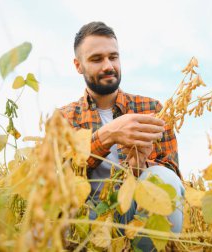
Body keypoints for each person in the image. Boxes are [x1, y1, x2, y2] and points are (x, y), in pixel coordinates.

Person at [59, 21, 185, 249]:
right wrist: (107, 136)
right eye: (96, 59)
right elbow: (58, 178)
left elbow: (173, 176)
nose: (108, 65)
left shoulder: (152, 109)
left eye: (113, 57)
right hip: (87, 217)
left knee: (162, 178)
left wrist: (140, 166)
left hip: (135, 216)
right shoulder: (63, 118)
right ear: (78, 65)